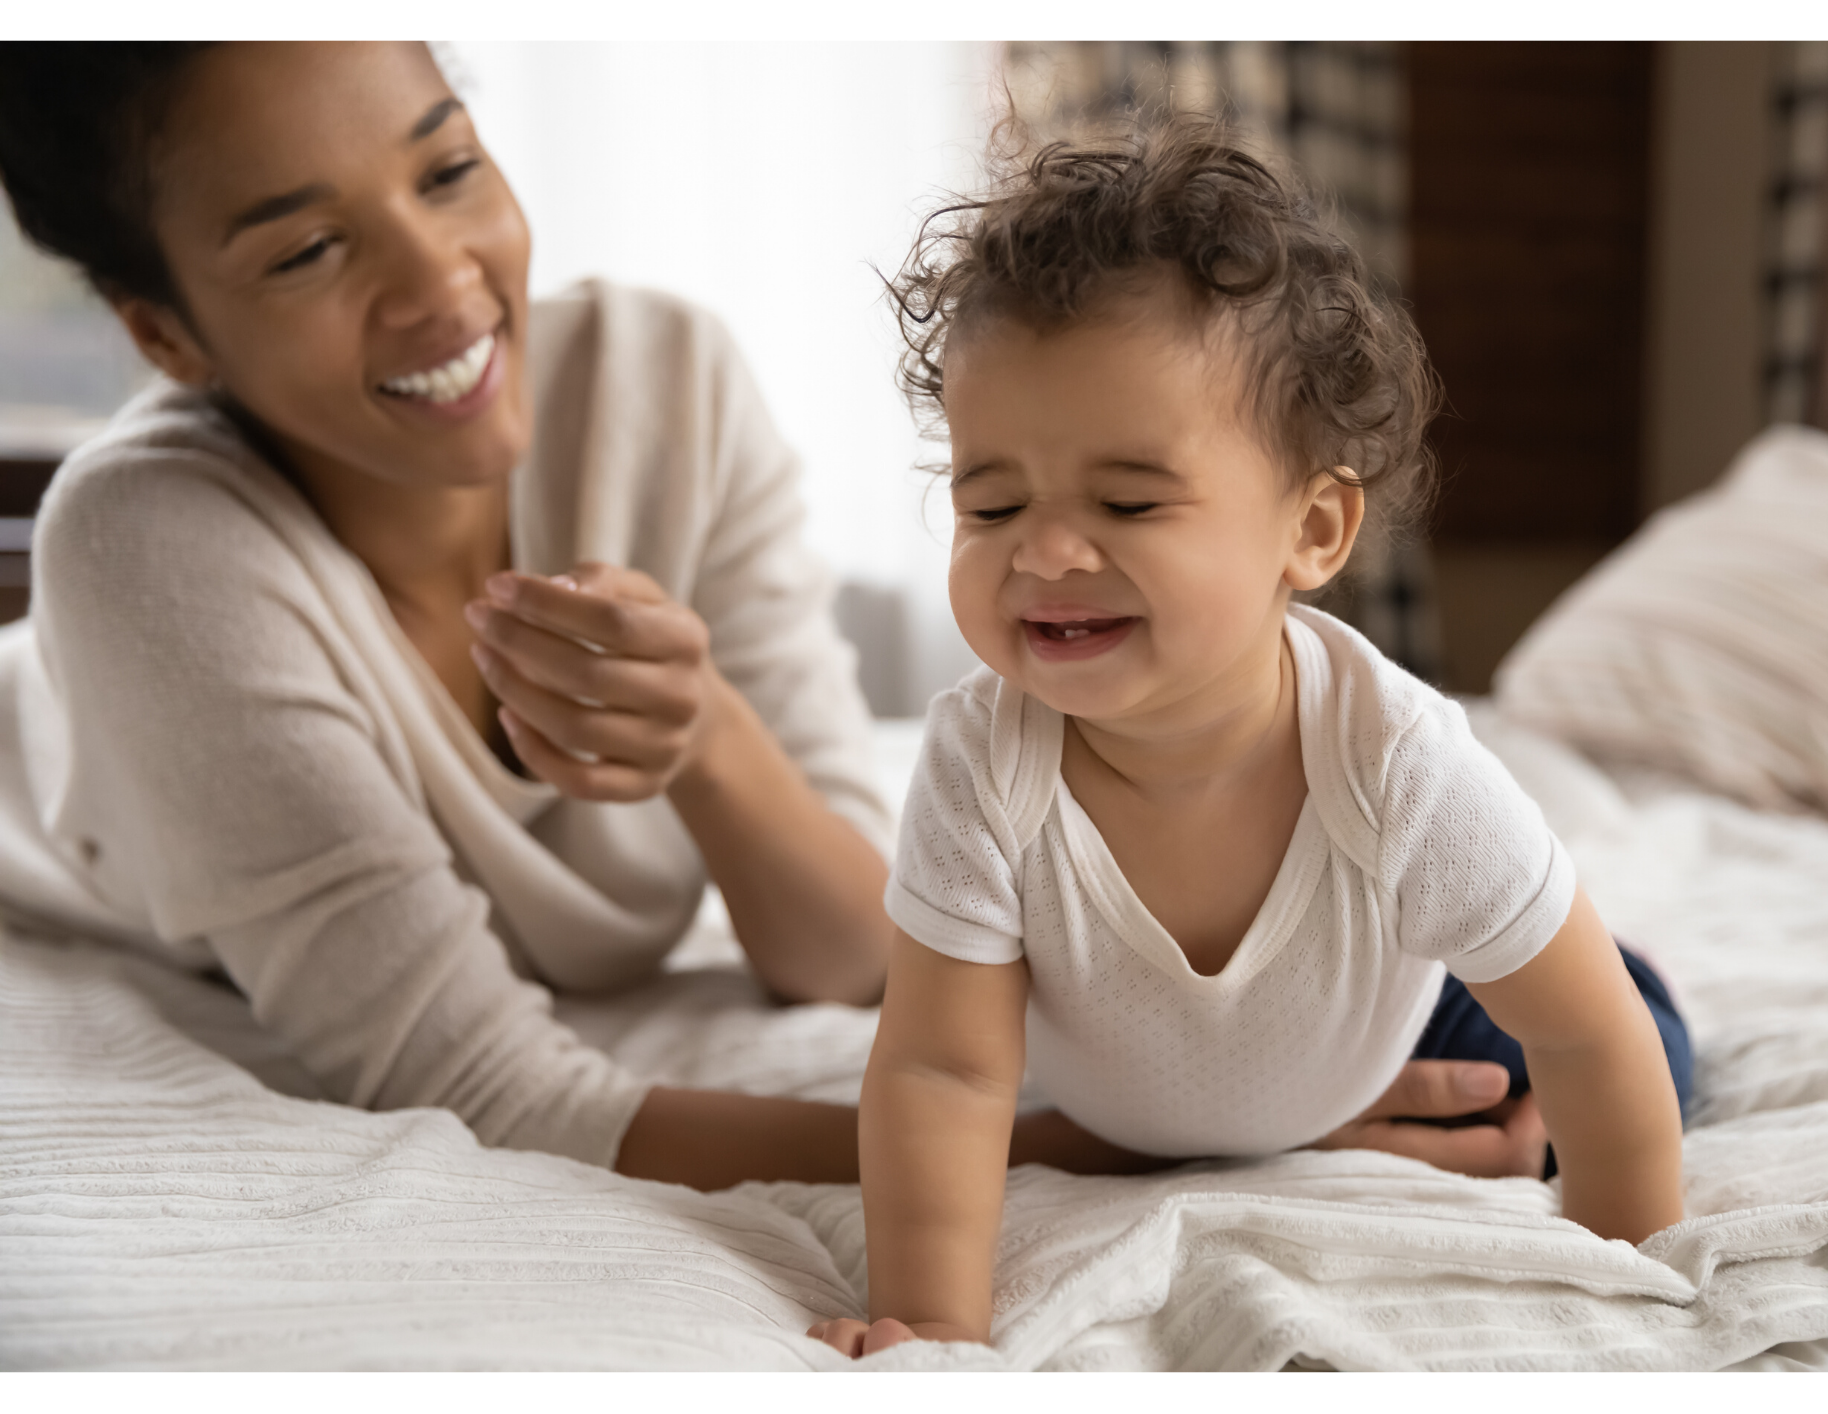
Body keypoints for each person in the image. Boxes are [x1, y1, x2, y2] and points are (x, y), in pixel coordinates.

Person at [0, 42, 1575, 1195]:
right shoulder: (150, 548)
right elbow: (483, 1083)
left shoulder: (657, 380)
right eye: (307, 248)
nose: (443, 287)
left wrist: (712, 741)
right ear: (162, 331)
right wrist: (1101, 1145)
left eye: (448, 166)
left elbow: (839, 955)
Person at [812, 117, 1693, 1356]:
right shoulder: (980, 761)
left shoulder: (1394, 760)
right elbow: (943, 1076)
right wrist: (933, 1327)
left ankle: (1562, 921)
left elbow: (1580, 1032)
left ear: (1314, 532)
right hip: (1146, 1075)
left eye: (1127, 500)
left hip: (1396, 1021)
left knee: (1629, 1032)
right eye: (989, 502)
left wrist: (1628, 1280)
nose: (1046, 552)